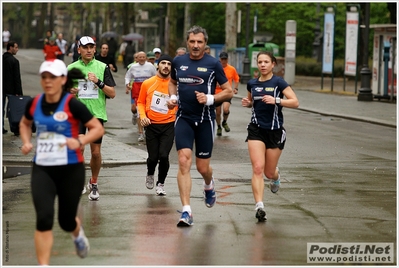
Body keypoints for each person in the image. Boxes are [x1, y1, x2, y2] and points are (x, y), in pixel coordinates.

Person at [19, 59, 105, 265]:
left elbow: (97, 129)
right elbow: (24, 123)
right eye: (44, 77)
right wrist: (26, 141)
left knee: (66, 221)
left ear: (63, 80)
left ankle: (77, 234)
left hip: (70, 169)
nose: (48, 81)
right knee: (44, 218)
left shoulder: (72, 104)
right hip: (43, 168)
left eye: (53, 77)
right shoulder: (34, 103)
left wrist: (80, 140)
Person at [167, 25, 233, 227]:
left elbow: (229, 91)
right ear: (187, 43)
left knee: (203, 167)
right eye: (192, 42)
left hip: (205, 120)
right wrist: (172, 96)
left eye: (200, 42)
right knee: (183, 160)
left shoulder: (213, 64)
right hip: (184, 118)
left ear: (205, 44)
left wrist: (211, 98)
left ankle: (208, 184)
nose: (195, 46)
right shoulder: (178, 61)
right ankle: (186, 211)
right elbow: (172, 82)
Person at [241, 51, 299, 222]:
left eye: (266, 62)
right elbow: (253, 102)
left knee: (268, 172)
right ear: (257, 64)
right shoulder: (252, 83)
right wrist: (248, 103)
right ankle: (259, 206)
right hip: (256, 130)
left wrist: (277, 101)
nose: (263, 65)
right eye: (260, 62)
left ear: (273, 64)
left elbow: (295, 102)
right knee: (258, 168)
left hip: (275, 131)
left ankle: (276, 176)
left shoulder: (279, 82)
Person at [68, 36, 116, 201]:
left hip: (97, 115)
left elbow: (112, 93)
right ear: (78, 49)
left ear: (95, 49)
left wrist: (99, 82)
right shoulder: (71, 68)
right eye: (85, 47)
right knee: (79, 148)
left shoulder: (102, 67)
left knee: (95, 153)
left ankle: (93, 182)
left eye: (91, 47)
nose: (88, 50)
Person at [137, 54, 176, 195]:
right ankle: (150, 173)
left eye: (169, 64)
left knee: (164, 155)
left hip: (169, 124)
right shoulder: (148, 83)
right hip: (151, 124)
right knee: (153, 157)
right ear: (158, 65)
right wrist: (143, 116)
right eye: (163, 63)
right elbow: (140, 102)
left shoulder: (175, 85)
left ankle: (161, 183)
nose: (166, 66)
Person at [125, 51, 156, 142]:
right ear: (137, 58)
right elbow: (127, 77)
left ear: (146, 58)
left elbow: (156, 76)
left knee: (148, 111)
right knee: (139, 112)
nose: (142, 58)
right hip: (137, 91)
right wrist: (127, 84)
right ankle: (141, 133)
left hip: (148, 90)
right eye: (140, 57)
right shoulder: (133, 67)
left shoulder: (150, 66)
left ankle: (148, 131)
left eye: (143, 57)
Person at [215, 51, 239, 136]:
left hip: (227, 92)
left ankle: (224, 122)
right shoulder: (216, 68)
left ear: (227, 59)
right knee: (218, 112)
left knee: (226, 109)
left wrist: (235, 88)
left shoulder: (231, 69)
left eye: (225, 59)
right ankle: (219, 127)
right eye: (222, 59)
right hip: (217, 93)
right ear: (220, 59)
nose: (224, 61)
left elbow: (236, 79)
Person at [2, 41, 22, 134]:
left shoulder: (2, 58)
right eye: (16, 47)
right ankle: (15, 128)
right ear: (10, 48)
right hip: (11, 89)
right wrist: (18, 91)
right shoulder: (14, 61)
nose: (17, 49)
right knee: (13, 110)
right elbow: (16, 78)